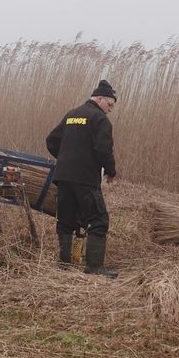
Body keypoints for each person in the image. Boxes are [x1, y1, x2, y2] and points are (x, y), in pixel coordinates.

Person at [45, 80, 119, 278]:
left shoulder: (72, 114)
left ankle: (63, 265)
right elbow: (103, 149)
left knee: (66, 219)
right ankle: (95, 267)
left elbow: (51, 140)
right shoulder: (100, 119)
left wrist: (65, 158)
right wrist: (111, 170)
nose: (110, 109)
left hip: (63, 176)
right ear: (100, 98)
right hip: (85, 178)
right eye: (110, 104)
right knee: (99, 220)